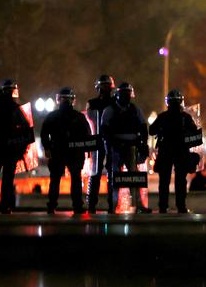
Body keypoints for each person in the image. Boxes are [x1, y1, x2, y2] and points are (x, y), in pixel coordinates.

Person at [0, 79, 34, 214]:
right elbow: (27, 131)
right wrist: (21, 150)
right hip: (11, 151)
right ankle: (5, 206)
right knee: (8, 180)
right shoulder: (17, 110)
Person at [101, 82, 152, 214]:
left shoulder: (135, 109)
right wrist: (110, 146)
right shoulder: (110, 110)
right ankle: (112, 205)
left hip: (131, 147)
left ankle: (138, 204)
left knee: (134, 177)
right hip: (115, 148)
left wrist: (143, 144)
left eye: (128, 94)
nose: (127, 97)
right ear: (118, 95)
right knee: (114, 178)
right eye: (124, 94)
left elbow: (143, 127)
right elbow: (104, 131)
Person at [41, 87, 91, 215]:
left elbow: (44, 134)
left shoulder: (52, 116)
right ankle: (77, 206)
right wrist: (86, 149)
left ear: (58, 100)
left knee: (55, 180)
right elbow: (87, 135)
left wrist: (47, 148)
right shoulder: (79, 117)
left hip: (57, 151)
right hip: (75, 153)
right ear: (72, 100)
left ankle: (51, 206)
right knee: (75, 180)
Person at [149, 89, 197, 214]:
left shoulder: (163, 116)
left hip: (166, 150)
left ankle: (163, 206)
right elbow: (195, 132)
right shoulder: (185, 117)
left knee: (164, 180)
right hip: (181, 150)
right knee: (180, 180)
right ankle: (181, 206)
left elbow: (151, 130)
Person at [85, 74, 115, 213]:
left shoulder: (115, 102)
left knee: (111, 173)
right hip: (97, 140)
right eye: (103, 86)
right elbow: (89, 120)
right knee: (95, 173)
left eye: (106, 86)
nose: (105, 88)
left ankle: (112, 203)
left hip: (110, 140)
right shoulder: (93, 103)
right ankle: (92, 204)